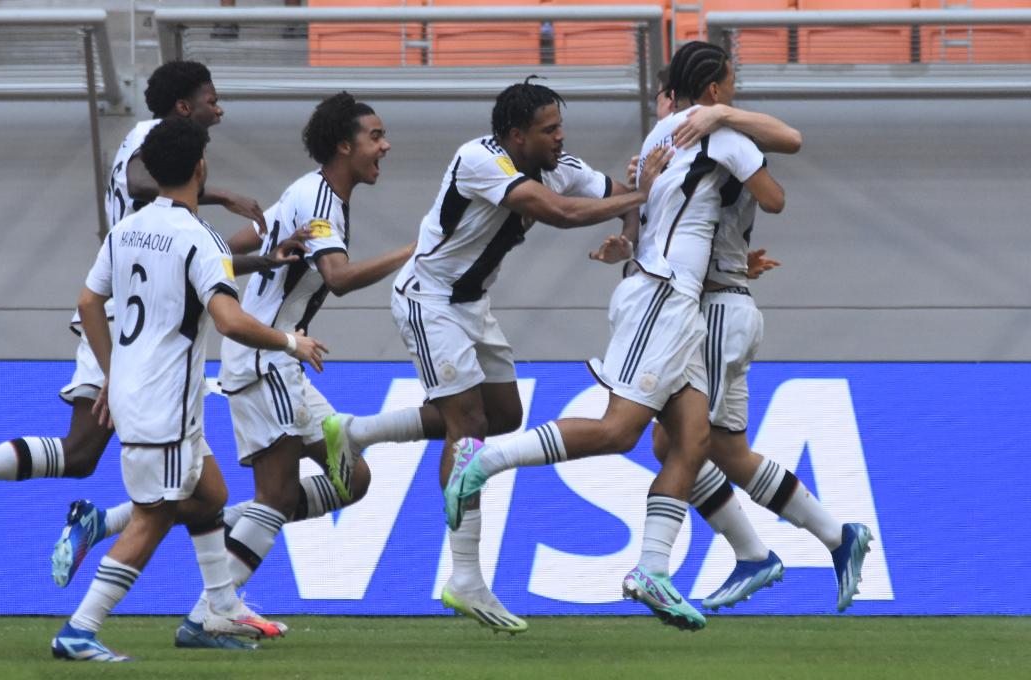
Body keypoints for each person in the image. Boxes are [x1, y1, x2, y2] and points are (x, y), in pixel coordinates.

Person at [443, 42, 786, 631]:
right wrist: (729, 121)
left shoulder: (656, 142)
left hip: (676, 296)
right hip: (664, 294)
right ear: (710, 90)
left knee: (691, 441)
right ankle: (484, 461)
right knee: (617, 430)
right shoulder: (716, 132)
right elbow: (780, 180)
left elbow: (646, 209)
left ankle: (653, 568)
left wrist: (639, 237)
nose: (732, 94)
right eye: (730, 85)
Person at [315, 79, 668, 635]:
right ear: (515, 135)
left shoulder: (562, 163)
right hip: (428, 300)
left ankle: (357, 431)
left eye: (560, 126)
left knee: (505, 416)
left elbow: (615, 195)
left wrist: (627, 231)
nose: (560, 137)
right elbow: (558, 212)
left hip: (472, 306)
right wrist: (640, 196)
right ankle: (465, 578)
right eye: (549, 129)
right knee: (470, 426)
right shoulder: (478, 158)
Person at [58, 92, 414, 638]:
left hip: (279, 358)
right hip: (265, 354)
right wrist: (416, 251)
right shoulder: (315, 198)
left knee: (350, 479)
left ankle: (109, 524)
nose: (385, 146)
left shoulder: (309, 193)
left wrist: (263, 256)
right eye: (376, 136)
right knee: (270, 496)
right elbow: (337, 279)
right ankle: (210, 612)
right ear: (345, 145)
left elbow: (225, 247)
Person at [0, 61, 278, 543]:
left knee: (84, 455)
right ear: (182, 107)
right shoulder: (149, 136)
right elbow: (138, 182)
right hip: (137, 327)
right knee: (184, 481)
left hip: (133, 315)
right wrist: (217, 193)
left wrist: (265, 259)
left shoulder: (161, 181)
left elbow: (199, 262)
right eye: (211, 100)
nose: (219, 109)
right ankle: (173, 598)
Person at [51, 117, 327, 662]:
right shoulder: (201, 238)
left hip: (142, 394)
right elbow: (228, 319)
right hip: (166, 400)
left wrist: (112, 372)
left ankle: (219, 607)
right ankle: (80, 629)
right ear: (201, 167)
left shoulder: (127, 229)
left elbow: (88, 303)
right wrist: (290, 342)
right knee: (155, 513)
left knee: (211, 497)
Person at [647, 70, 873, 614]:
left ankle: (761, 551)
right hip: (718, 302)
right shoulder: (671, 153)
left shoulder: (720, 139)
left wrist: (723, 118)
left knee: (686, 442)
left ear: (687, 96)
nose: (665, 110)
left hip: (720, 309)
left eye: (668, 98)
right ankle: (826, 538)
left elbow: (775, 190)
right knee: (707, 446)